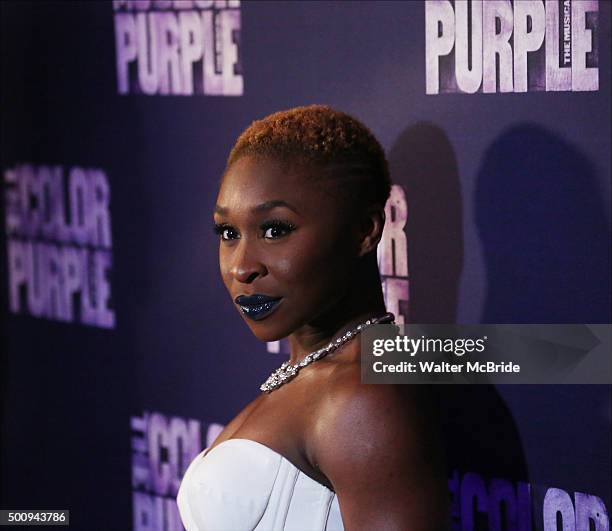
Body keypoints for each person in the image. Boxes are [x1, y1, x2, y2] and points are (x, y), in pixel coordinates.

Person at [176, 105, 450, 530]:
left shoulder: (362, 401)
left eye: (275, 230)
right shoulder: (318, 374)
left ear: (364, 231)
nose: (241, 266)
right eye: (228, 233)